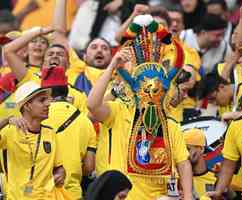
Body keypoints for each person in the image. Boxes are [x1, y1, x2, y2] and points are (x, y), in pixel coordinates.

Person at [87, 15, 192, 200]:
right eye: (145, 86)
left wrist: (189, 195)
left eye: (157, 87)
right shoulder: (118, 112)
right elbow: (92, 105)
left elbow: (183, 163)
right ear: (135, 89)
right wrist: (113, 65)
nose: (151, 92)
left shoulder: (169, 124)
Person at [0, 81, 66, 199]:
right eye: (42, 100)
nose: (48, 104)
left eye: (47, 99)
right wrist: (6, 120)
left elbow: (59, 167)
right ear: (27, 105)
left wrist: (61, 174)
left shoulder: (50, 133)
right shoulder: (9, 131)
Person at [40, 66, 97, 199]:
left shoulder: (37, 117)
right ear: (66, 91)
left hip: (41, 192)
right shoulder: (85, 121)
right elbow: (89, 167)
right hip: (72, 193)